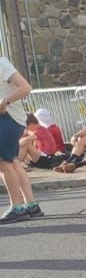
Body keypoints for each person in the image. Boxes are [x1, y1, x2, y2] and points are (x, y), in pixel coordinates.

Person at [0, 53, 41, 222]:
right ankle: (31, 205)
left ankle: (17, 207)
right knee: (14, 162)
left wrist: (4, 102)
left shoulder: (1, 63)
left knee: (4, 164)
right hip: (10, 119)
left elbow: (25, 87)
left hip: (8, 118)